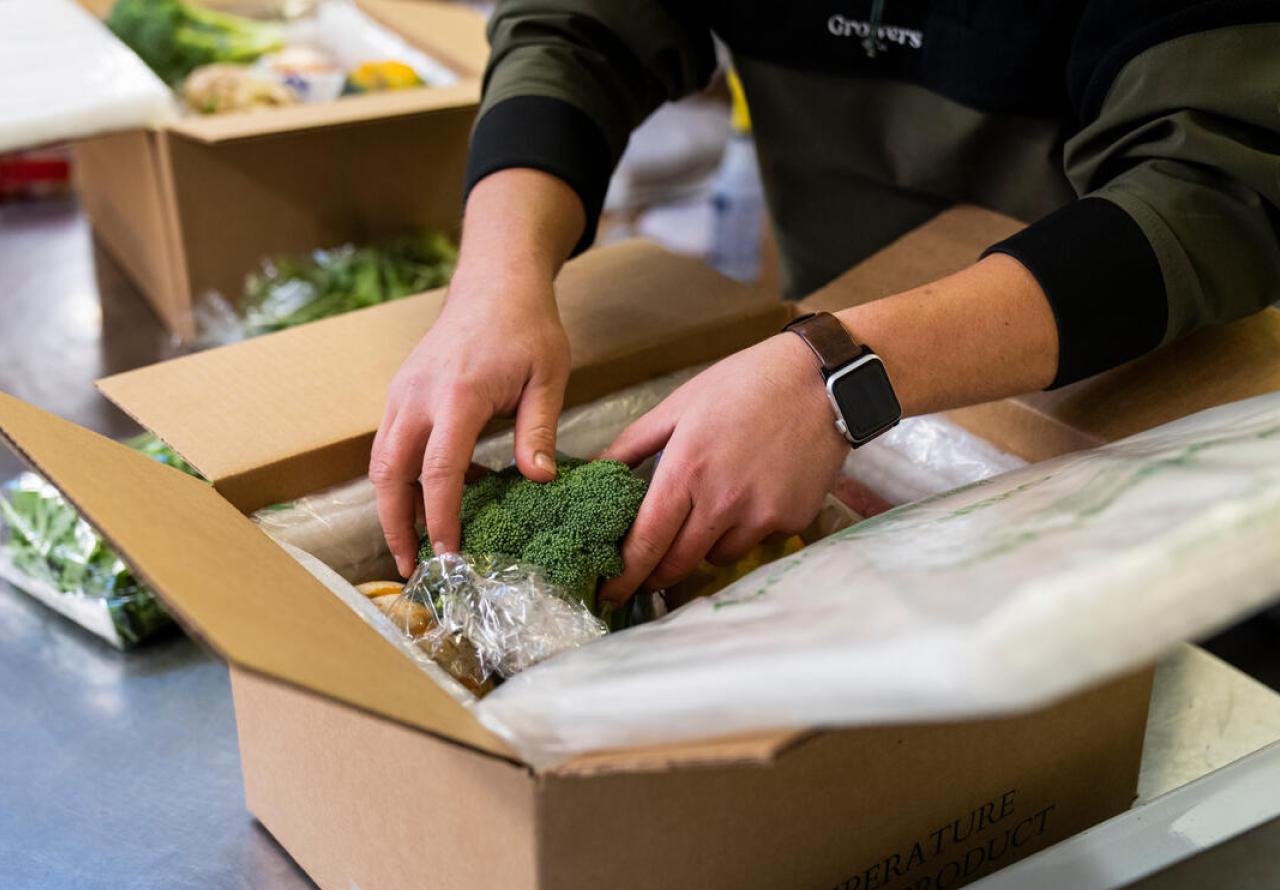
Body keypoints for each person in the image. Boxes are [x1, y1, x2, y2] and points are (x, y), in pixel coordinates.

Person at [370, 2, 1280, 606]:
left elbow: (1215, 190)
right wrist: (495, 277)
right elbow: (577, 28)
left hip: (1126, 383)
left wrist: (837, 380)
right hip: (822, 317)